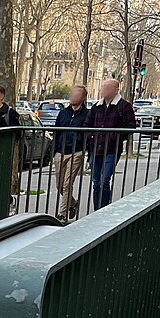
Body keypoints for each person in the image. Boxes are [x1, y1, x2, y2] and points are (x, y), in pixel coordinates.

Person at [86, 78, 138, 210]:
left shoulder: (124, 106)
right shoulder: (97, 106)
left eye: (107, 87)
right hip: (95, 148)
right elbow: (87, 125)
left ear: (116, 89)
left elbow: (130, 126)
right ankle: (97, 209)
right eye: (103, 86)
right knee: (96, 182)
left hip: (111, 149)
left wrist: (115, 137)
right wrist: (91, 137)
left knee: (104, 181)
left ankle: (103, 208)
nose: (103, 89)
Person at [52, 85, 89, 220]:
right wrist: (54, 151)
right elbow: (57, 132)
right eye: (72, 94)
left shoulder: (86, 115)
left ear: (83, 97)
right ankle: (73, 203)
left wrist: (87, 153)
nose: (73, 97)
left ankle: (62, 214)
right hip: (60, 152)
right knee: (59, 186)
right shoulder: (63, 113)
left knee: (68, 184)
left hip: (76, 152)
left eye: (77, 94)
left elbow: (88, 135)